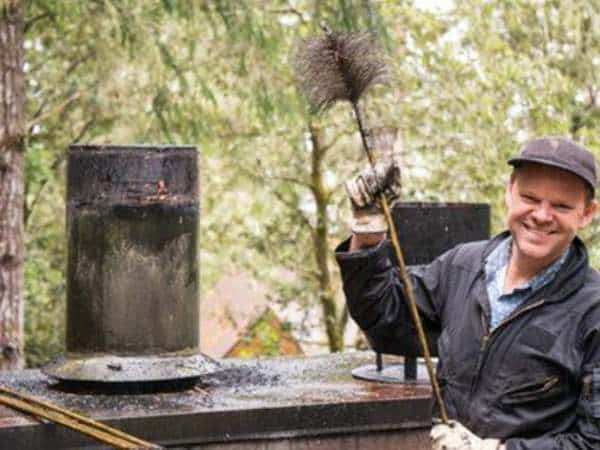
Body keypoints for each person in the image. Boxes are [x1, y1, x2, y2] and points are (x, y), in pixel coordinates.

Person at [335, 137, 600, 450]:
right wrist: (368, 229)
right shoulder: (462, 266)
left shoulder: (592, 311)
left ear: (587, 213)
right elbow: (383, 316)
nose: (542, 215)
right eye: (530, 197)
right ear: (509, 192)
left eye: (561, 206)